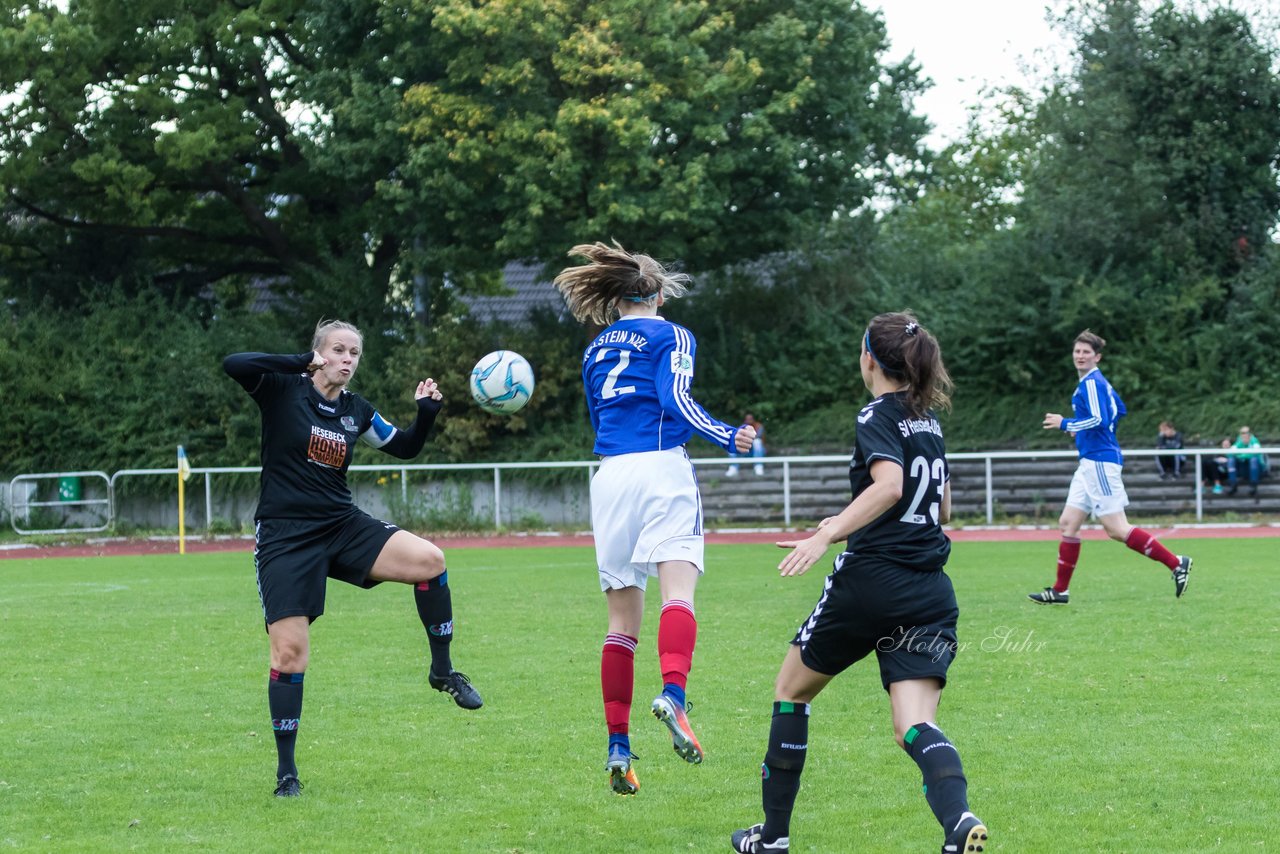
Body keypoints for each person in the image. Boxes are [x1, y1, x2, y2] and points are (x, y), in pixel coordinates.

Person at [730, 311, 988, 854]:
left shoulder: (877, 413)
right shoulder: (929, 421)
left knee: (790, 693)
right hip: (929, 591)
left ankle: (773, 837)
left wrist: (826, 537)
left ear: (869, 357)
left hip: (871, 582)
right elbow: (939, 504)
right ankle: (959, 820)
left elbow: (890, 486)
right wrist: (847, 524)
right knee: (913, 726)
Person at [223, 320, 483, 799]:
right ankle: (287, 773)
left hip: (341, 525)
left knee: (431, 560)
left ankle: (443, 671)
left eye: (355, 353)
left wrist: (425, 415)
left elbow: (404, 447)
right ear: (318, 353)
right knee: (289, 655)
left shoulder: (355, 411)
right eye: (338, 350)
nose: (347, 359)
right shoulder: (282, 389)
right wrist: (298, 363)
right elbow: (234, 364)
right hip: (285, 536)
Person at [553, 241, 756, 797]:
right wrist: (726, 436)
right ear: (659, 295)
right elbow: (674, 397)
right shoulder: (671, 333)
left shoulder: (595, 349)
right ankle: (674, 694)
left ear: (616, 300)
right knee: (678, 595)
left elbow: (599, 417)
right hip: (661, 469)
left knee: (621, 624)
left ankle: (618, 747)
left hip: (610, 476)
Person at [1027, 329, 1192, 605]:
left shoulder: (1092, 383)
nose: (1080, 356)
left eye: (1086, 352)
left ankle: (1176, 563)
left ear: (1097, 357)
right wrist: (1082, 431)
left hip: (1100, 462)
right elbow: (1119, 410)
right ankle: (1060, 591)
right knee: (1068, 523)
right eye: (1077, 351)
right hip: (1090, 461)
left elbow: (1100, 419)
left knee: (1116, 529)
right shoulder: (1098, 383)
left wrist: (1066, 424)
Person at [1226, 425, 1265, 497]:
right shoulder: (1239, 441)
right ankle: (1233, 485)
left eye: (1246, 433)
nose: (1244, 435)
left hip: (1257, 470)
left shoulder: (1254, 441)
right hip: (1243, 469)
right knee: (1231, 460)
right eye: (1242, 433)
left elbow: (1255, 453)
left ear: (1250, 434)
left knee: (1253, 460)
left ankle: (1253, 486)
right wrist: (1243, 455)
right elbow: (1230, 454)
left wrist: (1240, 455)